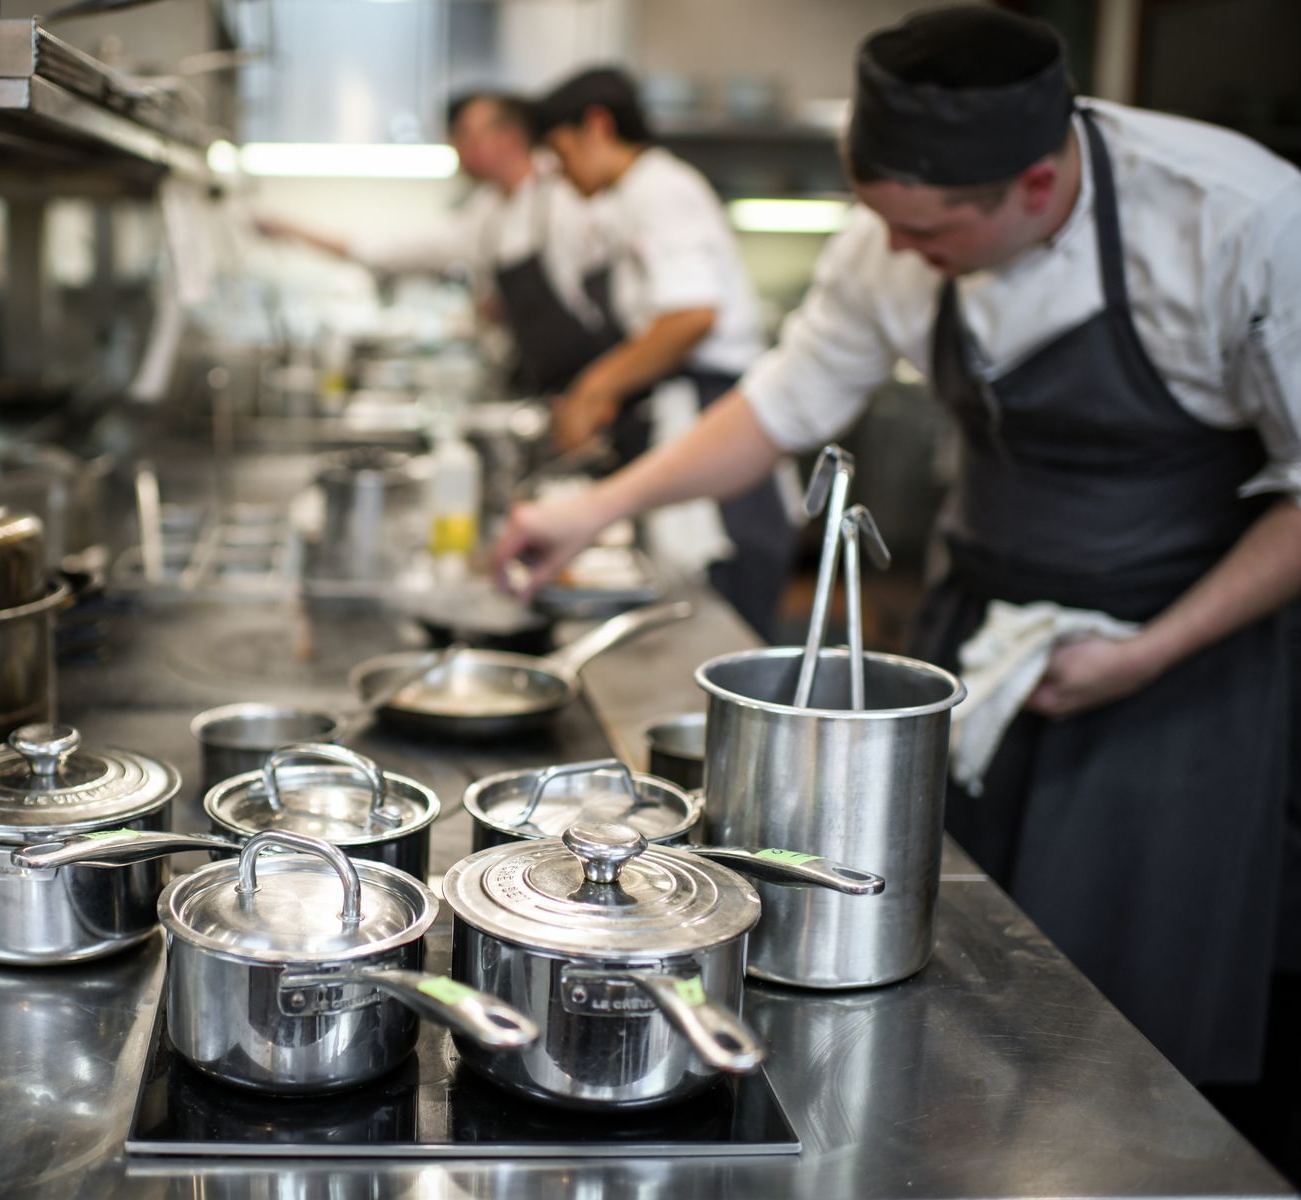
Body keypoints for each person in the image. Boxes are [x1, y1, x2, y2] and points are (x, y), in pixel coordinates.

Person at [494, 5, 1301, 1088]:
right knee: (948, 952)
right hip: (977, 629)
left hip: (1183, 645)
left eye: (929, 237)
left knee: (1128, 1010)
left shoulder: (1241, 222)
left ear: (1037, 187)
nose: (903, 255)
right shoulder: (894, 238)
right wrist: (587, 515)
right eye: (887, 224)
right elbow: (783, 406)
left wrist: (1152, 651)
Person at [528, 66, 797, 637]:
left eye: (560, 150)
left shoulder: (660, 189)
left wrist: (597, 387)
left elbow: (691, 316)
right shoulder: (628, 198)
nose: (559, 171)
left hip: (719, 416)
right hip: (693, 408)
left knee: (727, 613)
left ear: (596, 127)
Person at [256, 91, 607, 395]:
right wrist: (294, 232)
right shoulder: (486, 212)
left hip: (597, 378)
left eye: (467, 134)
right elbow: (392, 249)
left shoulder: (566, 196)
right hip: (544, 383)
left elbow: (602, 306)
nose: (456, 145)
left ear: (509, 138)